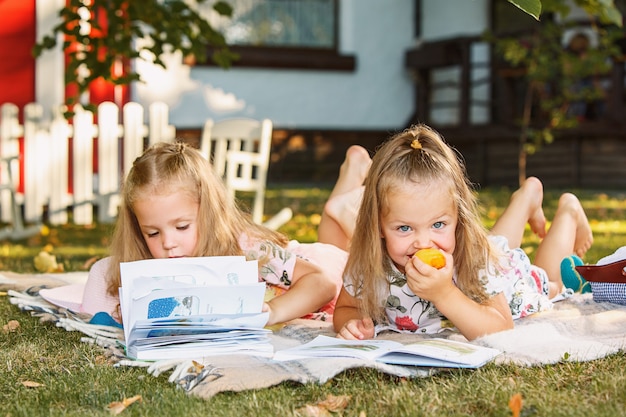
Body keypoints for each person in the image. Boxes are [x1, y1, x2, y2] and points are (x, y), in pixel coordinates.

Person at [332, 124, 594, 341]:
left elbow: (501, 328)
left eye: (438, 225)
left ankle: (568, 212)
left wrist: (443, 293)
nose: (424, 242)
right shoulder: (368, 262)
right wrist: (354, 323)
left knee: (550, 281)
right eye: (404, 228)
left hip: (512, 283)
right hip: (491, 256)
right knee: (497, 245)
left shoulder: (474, 256)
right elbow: (345, 307)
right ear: (378, 225)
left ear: (459, 218)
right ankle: (526, 197)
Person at [81, 141, 354, 326]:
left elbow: (324, 283)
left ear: (208, 213)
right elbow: (103, 282)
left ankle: (343, 197)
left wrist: (273, 312)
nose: (168, 243)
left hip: (324, 264)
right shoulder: (147, 258)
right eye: (152, 233)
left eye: (182, 227)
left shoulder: (246, 248)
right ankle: (344, 191)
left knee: (345, 252)